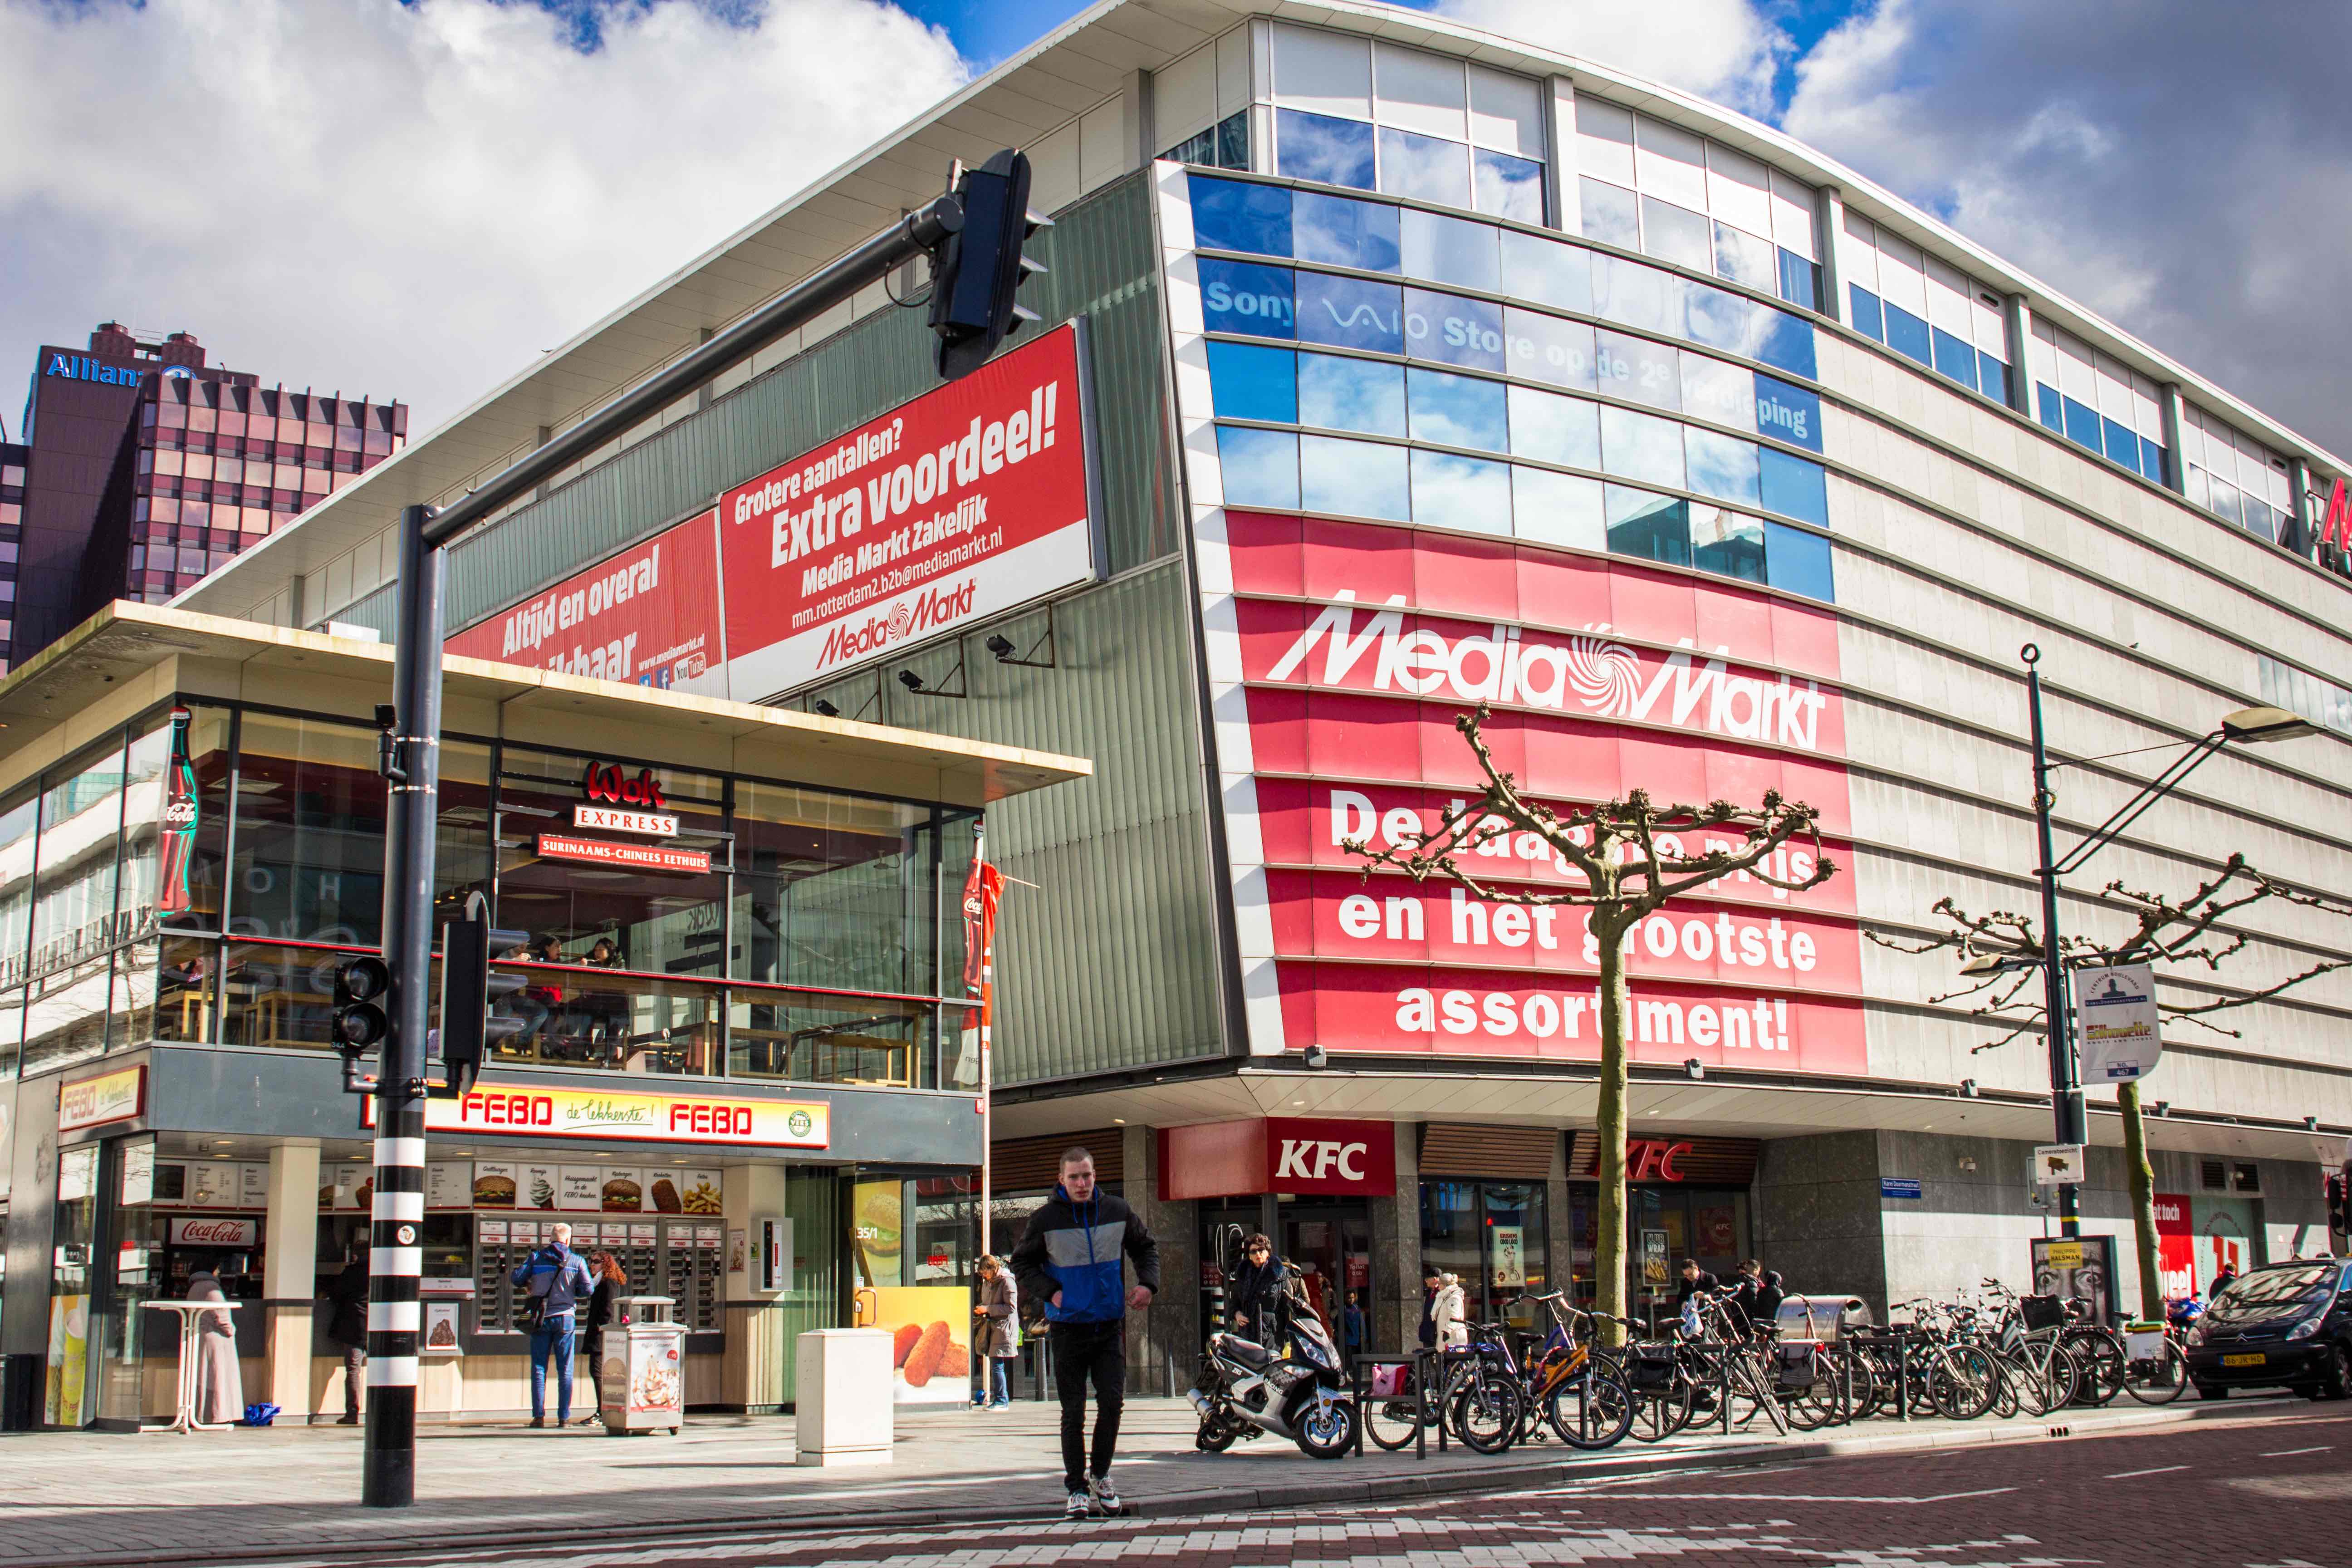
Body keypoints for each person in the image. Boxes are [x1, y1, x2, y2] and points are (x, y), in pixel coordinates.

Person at [1009, 1146, 1160, 1520]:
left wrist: (1148, 1285)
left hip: (1108, 1326)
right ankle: (1076, 1489)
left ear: (1096, 1176)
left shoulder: (1117, 1211)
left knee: (1112, 1405)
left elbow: (1145, 1248)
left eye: (1087, 1175)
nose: (1081, 1183)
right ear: (1061, 1179)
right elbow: (1022, 1262)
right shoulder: (1045, 1219)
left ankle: (1102, 1476)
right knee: (1073, 1411)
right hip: (1068, 1329)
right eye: (1074, 1177)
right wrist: (1051, 1292)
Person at [511, 1220, 595, 1427]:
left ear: (551, 1239)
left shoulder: (536, 1258)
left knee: (539, 1367)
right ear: (568, 1239)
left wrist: (530, 1283)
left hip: (541, 1318)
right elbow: (589, 1289)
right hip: (566, 1318)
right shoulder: (576, 1260)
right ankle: (564, 1418)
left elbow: (516, 1277)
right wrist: (570, 1293)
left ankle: (539, 1417)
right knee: (565, 1369)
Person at [187, 1267, 245, 1426]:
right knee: (217, 1377)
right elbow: (222, 1315)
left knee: (203, 1376)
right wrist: (231, 1330)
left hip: (200, 1335)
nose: (219, 1272)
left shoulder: (194, 1287)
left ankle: (200, 1414)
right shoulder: (211, 1288)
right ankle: (216, 1415)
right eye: (218, 1269)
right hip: (216, 1339)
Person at [325, 1242, 370, 1424]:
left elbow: (336, 1294)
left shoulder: (352, 1272)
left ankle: (352, 1413)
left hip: (353, 1327)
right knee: (382, 1370)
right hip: (379, 1327)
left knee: (353, 1371)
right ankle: (381, 1412)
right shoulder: (382, 1271)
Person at [583, 1248, 628, 1424]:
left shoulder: (608, 1282)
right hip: (598, 1333)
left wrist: (600, 1328)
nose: (591, 1265)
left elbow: (608, 1311)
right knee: (597, 1372)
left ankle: (603, 1413)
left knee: (598, 1372)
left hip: (601, 1335)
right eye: (591, 1261)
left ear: (606, 1263)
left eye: (596, 1262)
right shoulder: (600, 1281)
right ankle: (602, 1411)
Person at [970, 1254, 1019, 1410]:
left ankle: (1002, 1400)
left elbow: (1011, 1307)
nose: (983, 1276)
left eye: (985, 1272)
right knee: (996, 1363)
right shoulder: (988, 1282)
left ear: (993, 1268)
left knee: (997, 1364)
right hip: (994, 1326)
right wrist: (982, 1310)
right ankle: (1000, 1399)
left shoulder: (1007, 1282)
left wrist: (988, 1309)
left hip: (1004, 1328)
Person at [1226, 1233, 1285, 1347]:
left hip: (1273, 1338)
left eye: (1261, 1250)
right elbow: (1234, 1305)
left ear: (1268, 1253)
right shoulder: (1242, 1278)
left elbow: (1288, 1308)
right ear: (1249, 1256)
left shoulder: (1280, 1276)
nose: (1258, 1254)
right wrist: (1237, 1314)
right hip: (1247, 1337)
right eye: (1253, 1251)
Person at [1430, 1271, 1468, 1348]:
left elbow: (1455, 1317)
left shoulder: (1454, 1298)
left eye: (1439, 1284)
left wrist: (1447, 1331)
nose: (1438, 1286)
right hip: (1448, 1338)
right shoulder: (1445, 1297)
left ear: (1445, 1285)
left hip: (1454, 1337)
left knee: (1455, 1359)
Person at [1416, 1262, 1443, 1350]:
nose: (1426, 1281)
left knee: (1439, 1361)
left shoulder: (1443, 1293)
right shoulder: (1429, 1292)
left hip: (1437, 1334)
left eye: (1428, 1278)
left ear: (1435, 1279)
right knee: (1429, 1360)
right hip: (1428, 1334)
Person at [1343, 1290, 1366, 1359]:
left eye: (1353, 1298)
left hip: (1357, 1338)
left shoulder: (1357, 1309)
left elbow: (1362, 1323)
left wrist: (1364, 1336)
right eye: (1349, 1298)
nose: (1351, 1300)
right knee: (1348, 1358)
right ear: (1346, 1298)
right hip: (1348, 1340)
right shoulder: (1344, 1309)